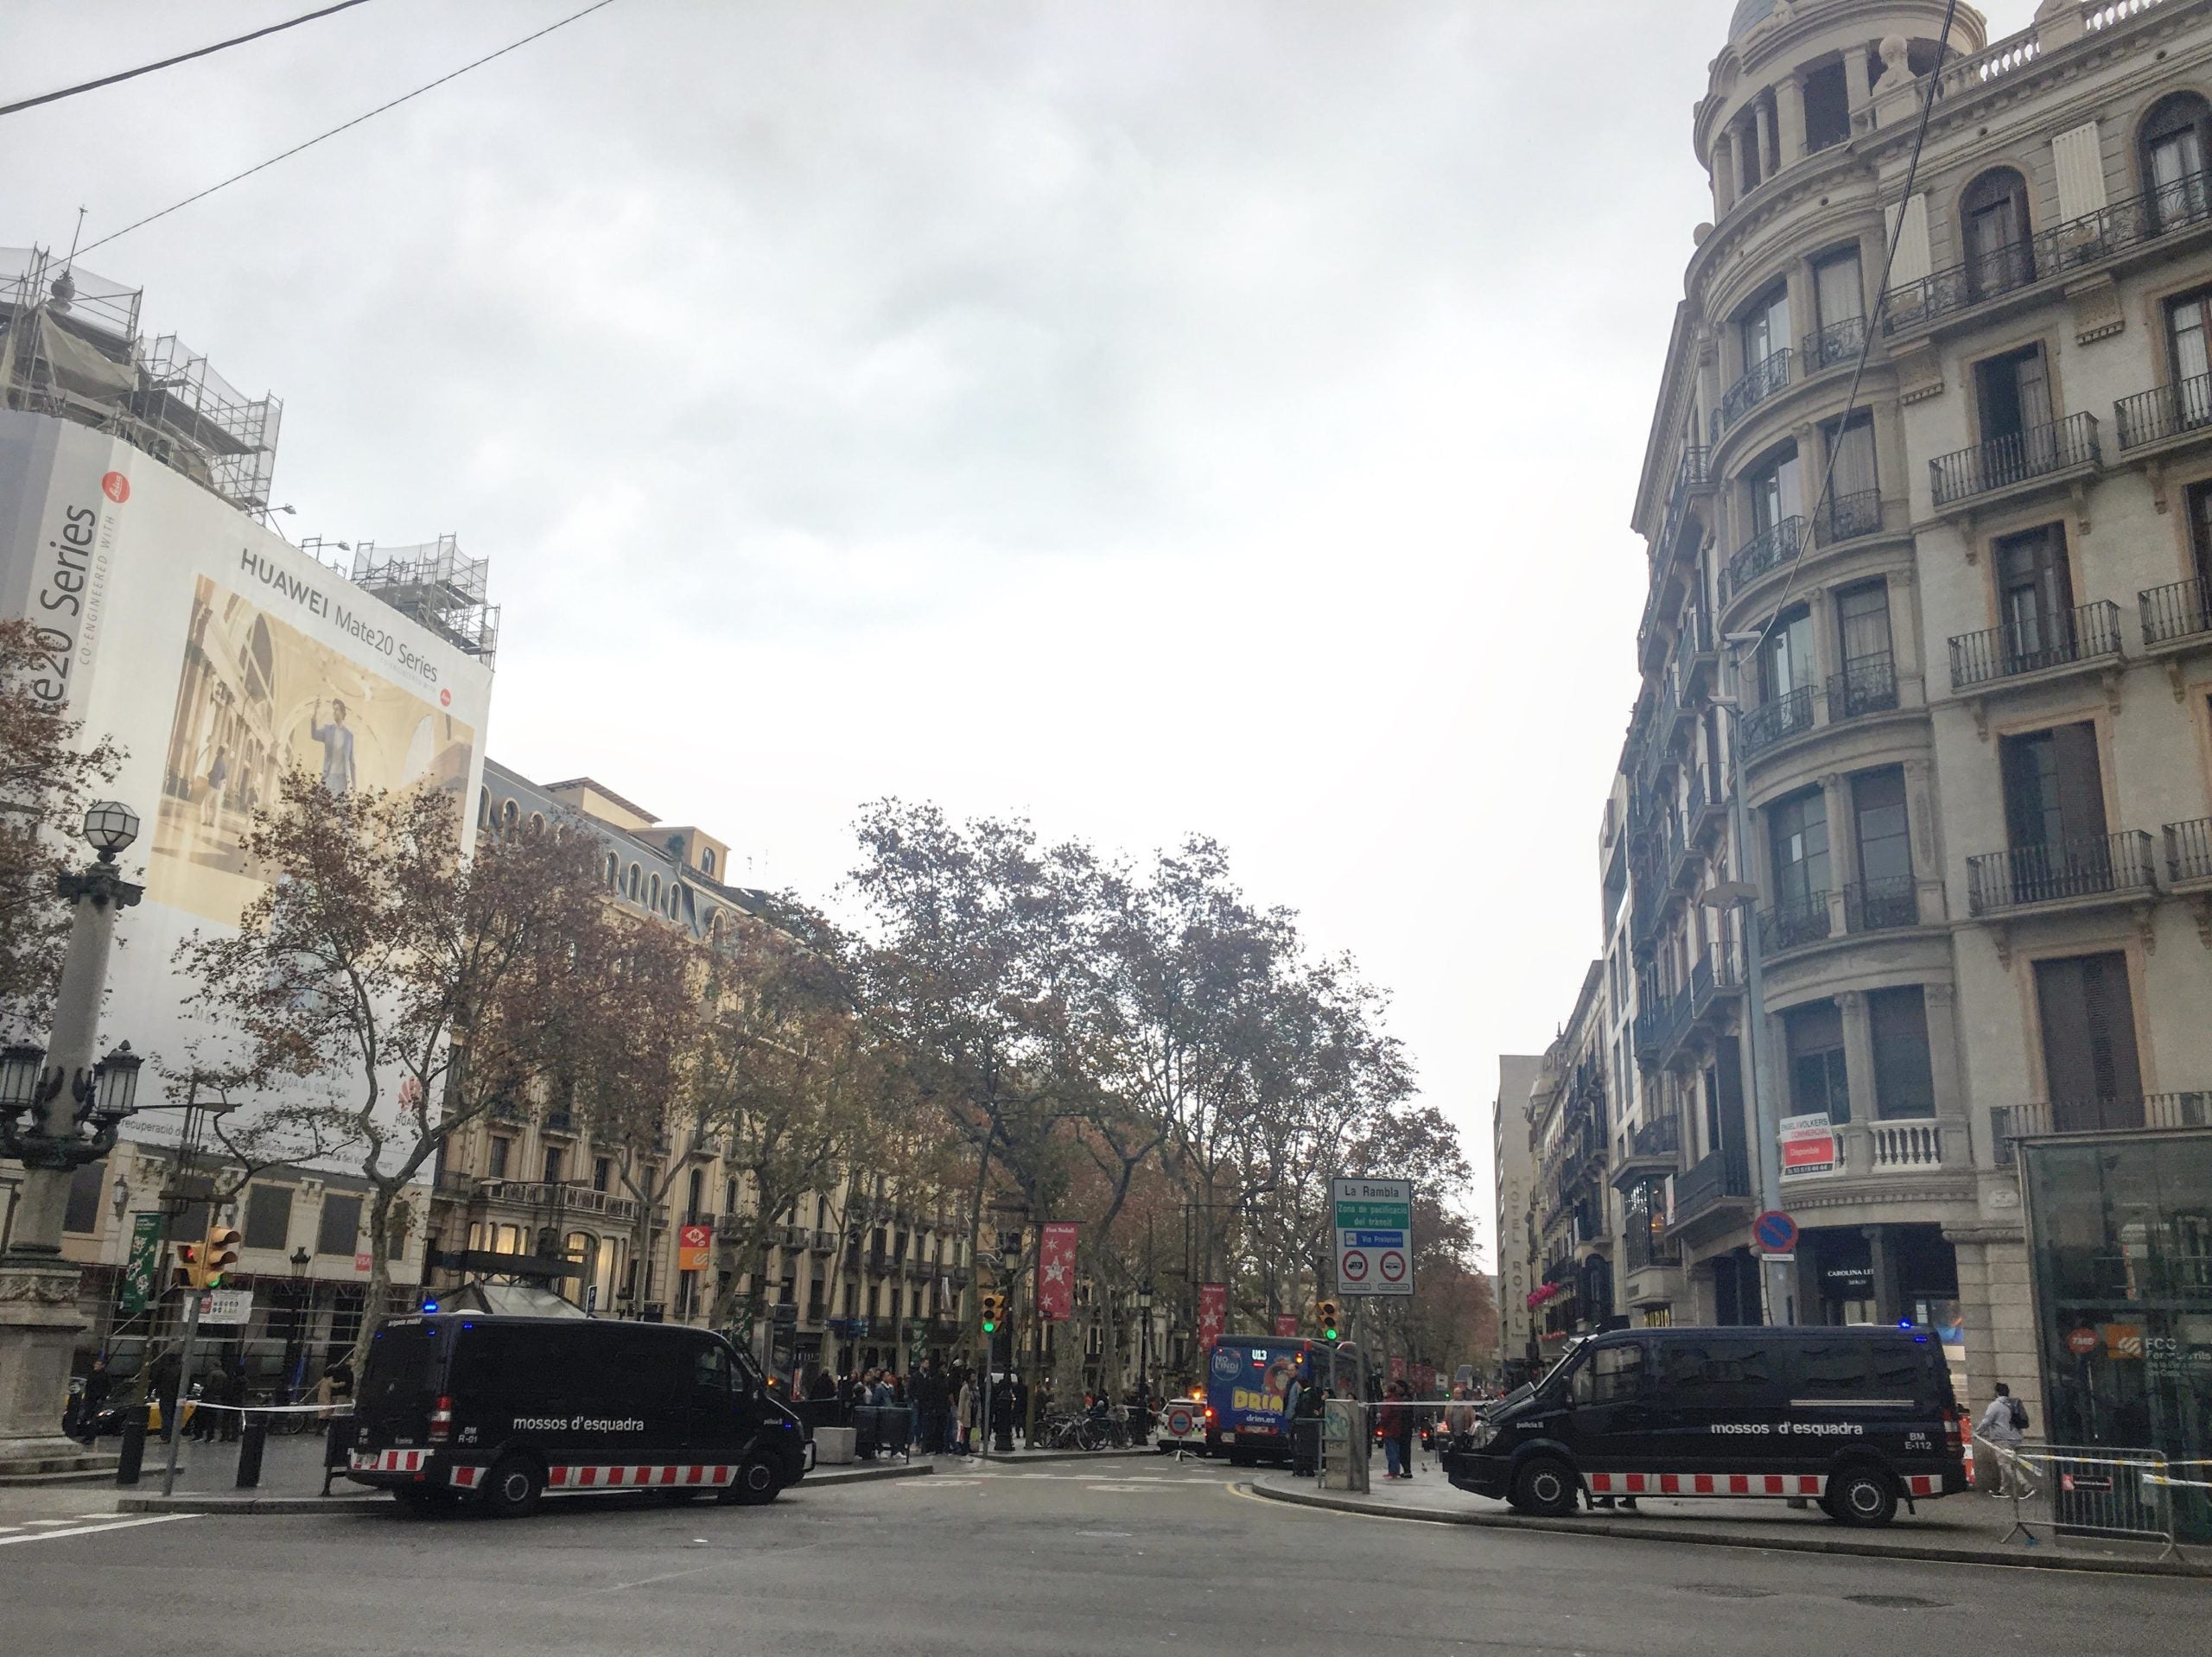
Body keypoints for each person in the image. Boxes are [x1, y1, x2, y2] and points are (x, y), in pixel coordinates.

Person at [1976, 1381, 2030, 1497]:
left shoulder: (1995, 1405)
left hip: (2002, 1439)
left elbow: (1987, 1421)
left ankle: (2026, 1485)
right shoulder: (2012, 1404)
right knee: (2007, 1463)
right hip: (2016, 1438)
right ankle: (2004, 1490)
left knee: (2004, 1463)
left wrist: (1977, 1433)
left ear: (1996, 1393)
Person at [308, 699, 356, 797]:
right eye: (333, 709)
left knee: (339, 808)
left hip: (342, 780)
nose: (334, 712)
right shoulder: (327, 730)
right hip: (328, 776)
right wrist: (315, 713)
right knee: (324, 806)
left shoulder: (349, 736)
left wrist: (354, 787)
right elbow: (314, 735)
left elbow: (352, 762)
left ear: (343, 713)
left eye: (337, 710)